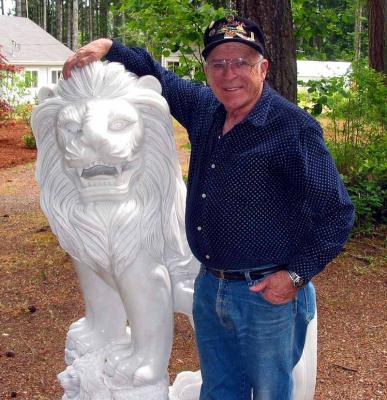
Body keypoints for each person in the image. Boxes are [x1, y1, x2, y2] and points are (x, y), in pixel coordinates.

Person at [63, 15, 354, 400]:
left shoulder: (293, 129)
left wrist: (296, 277)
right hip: (210, 286)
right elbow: (159, 76)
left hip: (266, 293)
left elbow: (337, 213)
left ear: (262, 68)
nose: (229, 73)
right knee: (219, 391)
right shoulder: (206, 111)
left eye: (241, 63)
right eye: (219, 63)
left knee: (270, 393)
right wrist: (108, 47)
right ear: (208, 69)